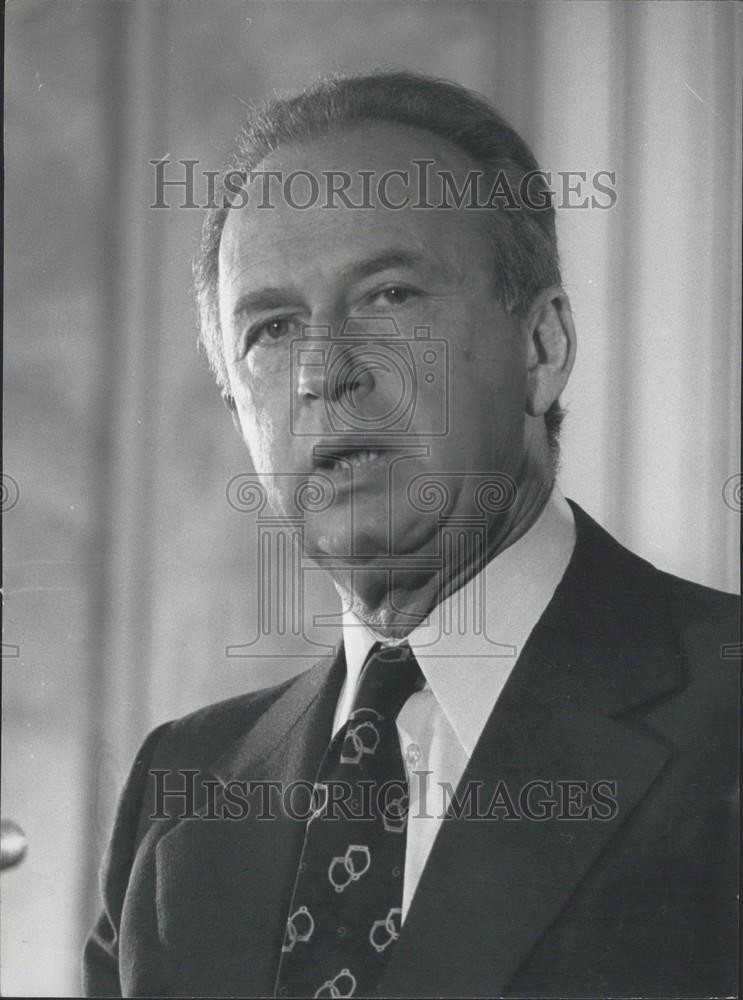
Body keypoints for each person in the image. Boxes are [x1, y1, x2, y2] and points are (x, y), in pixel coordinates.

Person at [83, 71, 738, 998]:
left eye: (388, 297)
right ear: (237, 402)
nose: (325, 371)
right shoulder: (181, 785)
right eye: (270, 329)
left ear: (542, 349)